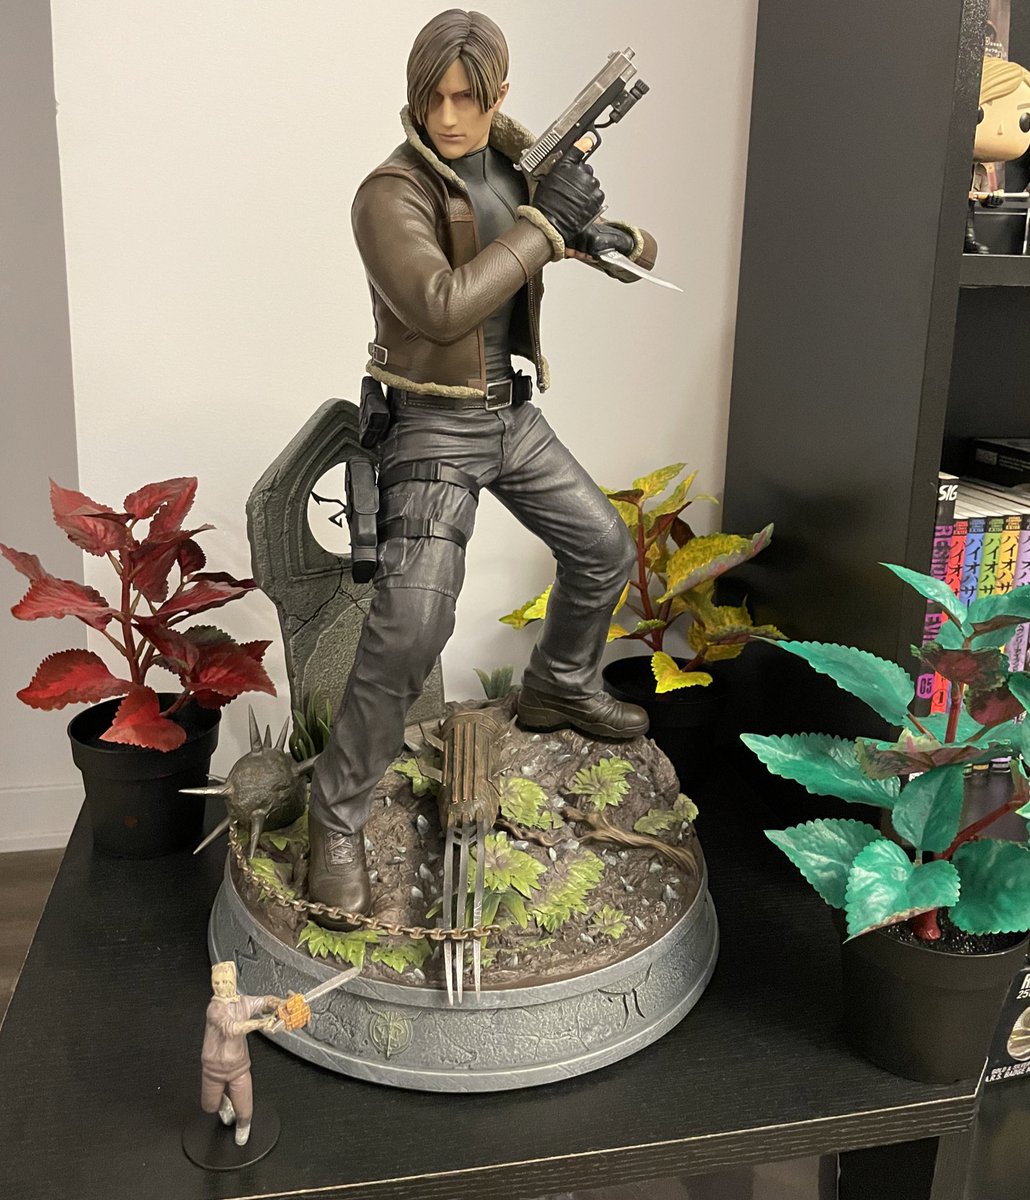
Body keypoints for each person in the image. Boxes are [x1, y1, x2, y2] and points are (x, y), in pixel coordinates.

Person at [308, 9, 659, 924]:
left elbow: (617, 247)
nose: (450, 117)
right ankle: (336, 816)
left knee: (603, 547)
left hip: (511, 414)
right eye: (434, 98)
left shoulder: (515, 164)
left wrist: (609, 236)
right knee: (412, 627)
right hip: (433, 424)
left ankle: (560, 684)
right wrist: (544, 228)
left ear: (499, 93)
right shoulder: (389, 193)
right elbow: (438, 304)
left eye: (469, 97)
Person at [199, 961, 284, 1147]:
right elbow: (232, 1028)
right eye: (217, 982)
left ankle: (244, 1125)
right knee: (209, 1105)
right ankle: (223, 1104)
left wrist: (280, 1004)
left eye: (225, 982)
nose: (221, 987)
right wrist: (261, 1023)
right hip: (213, 1069)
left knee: (244, 1110)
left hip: (239, 1068)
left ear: (233, 981)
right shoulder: (214, 1009)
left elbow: (263, 1002)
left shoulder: (243, 1003)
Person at [966, 56, 1030, 253]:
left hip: (963, 222)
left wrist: (992, 199)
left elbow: (986, 196)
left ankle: (967, 239)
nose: (1001, 129)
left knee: (966, 222)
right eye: (979, 114)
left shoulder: (981, 170)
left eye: (1024, 121)